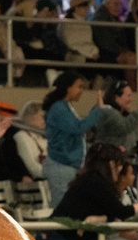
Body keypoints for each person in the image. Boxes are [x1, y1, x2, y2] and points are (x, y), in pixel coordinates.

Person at [42, 71, 105, 206]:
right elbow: (78, 128)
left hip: (67, 165)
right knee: (61, 209)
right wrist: (98, 110)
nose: (81, 91)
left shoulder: (65, 106)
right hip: (61, 165)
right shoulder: (59, 108)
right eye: (79, 87)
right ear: (68, 87)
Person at [94, 79, 138, 154]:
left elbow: (136, 140)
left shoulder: (127, 115)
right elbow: (124, 126)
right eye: (128, 96)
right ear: (116, 97)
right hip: (106, 160)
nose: (131, 99)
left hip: (125, 159)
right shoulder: (106, 112)